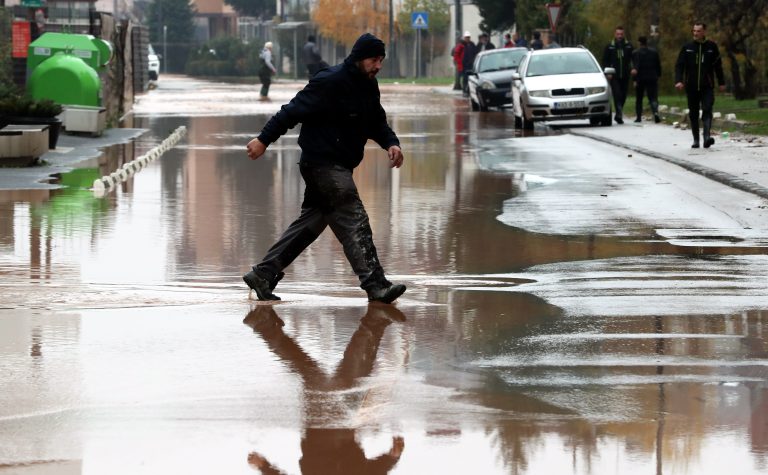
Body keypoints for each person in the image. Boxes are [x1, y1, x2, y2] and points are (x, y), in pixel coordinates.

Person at [244, 33, 407, 304]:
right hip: (322, 164)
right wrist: (263, 140)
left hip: (340, 165)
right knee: (354, 220)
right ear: (358, 58)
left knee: (312, 223)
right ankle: (376, 285)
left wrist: (392, 143)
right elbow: (291, 112)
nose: (378, 66)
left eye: (381, 60)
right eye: (373, 60)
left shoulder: (369, 85)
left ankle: (263, 273)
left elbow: (376, 121)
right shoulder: (328, 81)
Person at [244, 305, 406, 474]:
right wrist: (390, 459)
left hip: (320, 435)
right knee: (336, 375)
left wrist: (264, 467)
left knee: (322, 376)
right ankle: (375, 321)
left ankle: (375, 321)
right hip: (344, 429)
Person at [675, 22, 726, 148]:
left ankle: (707, 137)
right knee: (693, 113)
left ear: (704, 32)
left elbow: (718, 66)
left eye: (698, 31)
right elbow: (680, 65)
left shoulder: (711, 47)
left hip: (707, 85)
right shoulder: (687, 47)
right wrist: (679, 80)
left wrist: (721, 82)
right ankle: (696, 140)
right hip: (691, 86)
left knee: (707, 109)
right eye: (694, 31)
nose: (695, 33)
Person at [602, 26, 634, 124]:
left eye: (621, 34)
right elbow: (605, 61)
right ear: (615, 34)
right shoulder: (610, 46)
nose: (619, 36)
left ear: (623, 35)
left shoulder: (629, 46)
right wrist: (608, 73)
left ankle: (618, 114)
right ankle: (619, 113)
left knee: (623, 95)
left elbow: (633, 59)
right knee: (617, 94)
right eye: (618, 34)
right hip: (614, 76)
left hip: (625, 74)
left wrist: (633, 68)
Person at [631, 36, 662, 123]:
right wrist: (658, 75)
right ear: (646, 42)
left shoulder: (635, 53)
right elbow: (658, 65)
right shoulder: (654, 52)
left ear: (639, 43)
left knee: (639, 98)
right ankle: (655, 112)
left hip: (640, 78)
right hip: (652, 77)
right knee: (653, 98)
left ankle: (638, 117)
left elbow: (634, 68)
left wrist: (634, 80)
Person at [460, 31, 477, 96]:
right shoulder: (462, 45)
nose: (467, 39)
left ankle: (470, 91)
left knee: (471, 78)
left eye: (468, 37)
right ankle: (464, 90)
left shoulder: (472, 44)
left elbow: (475, 52)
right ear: (464, 38)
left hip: (471, 64)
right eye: (466, 37)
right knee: (465, 78)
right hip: (465, 65)